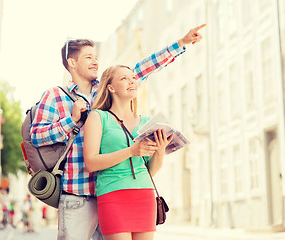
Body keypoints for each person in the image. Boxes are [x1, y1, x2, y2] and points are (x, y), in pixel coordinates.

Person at [30, 24, 205, 240]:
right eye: (88, 57)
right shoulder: (55, 96)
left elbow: (145, 67)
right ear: (72, 63)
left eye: (95, 56)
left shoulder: (105, 89)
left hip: (112, 190)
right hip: (79, 193)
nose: (95, 61)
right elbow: (36, 136)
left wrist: (182, 43)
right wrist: (71, 120)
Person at [83, 64, 172, 240]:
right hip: (113, 195)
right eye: (124, 78)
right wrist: (131, 151)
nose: (132, 81)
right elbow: (91, 163)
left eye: (133, 78)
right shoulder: (98, 117)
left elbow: (150, 171)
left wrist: (160, 150)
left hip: (144, 195)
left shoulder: (147, 122)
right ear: (110, 87)